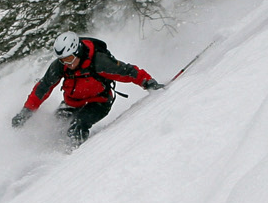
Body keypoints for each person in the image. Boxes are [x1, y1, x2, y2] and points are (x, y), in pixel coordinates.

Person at [11, 31, 163, 146]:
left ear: (77, 51)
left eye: (69, 59)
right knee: (55, 126)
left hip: (99, 102)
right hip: (73, 102)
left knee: (77, 126)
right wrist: (27, 111)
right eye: (63, 60)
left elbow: (128, 72)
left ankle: (72, 158)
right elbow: (43, 87)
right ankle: (50, 153)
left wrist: (148, 82)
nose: (67, 64)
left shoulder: (99, 61)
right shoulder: (61, 67)